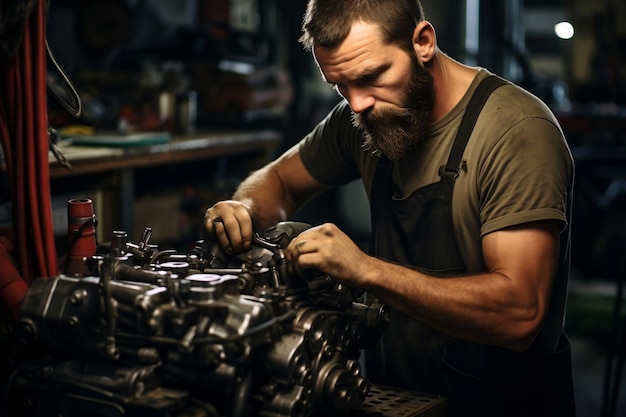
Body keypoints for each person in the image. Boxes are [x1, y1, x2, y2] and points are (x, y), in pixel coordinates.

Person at [203, 0, 576, 416]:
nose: (357, 103)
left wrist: (366, 269)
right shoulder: (363, 117)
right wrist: (243, 209)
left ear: (423, 42)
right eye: (340, 86)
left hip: (500, 403)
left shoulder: (516, 133)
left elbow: (520, 313)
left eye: (371, 77)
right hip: (399, 398)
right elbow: (277, 179)